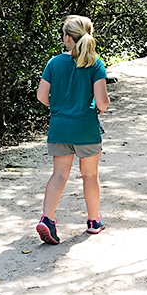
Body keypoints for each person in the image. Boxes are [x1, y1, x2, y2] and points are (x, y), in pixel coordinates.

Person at [35, 15, 110, 244]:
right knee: (89, 175)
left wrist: (58, 108)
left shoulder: (54, 63)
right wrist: (96, 110)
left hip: (60, 127)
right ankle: (93, 221)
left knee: (59, 174)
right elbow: (102, 102)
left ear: (67, 38)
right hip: (85, 128)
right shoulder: (95, 64)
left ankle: (47, 218)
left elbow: (41, 96)